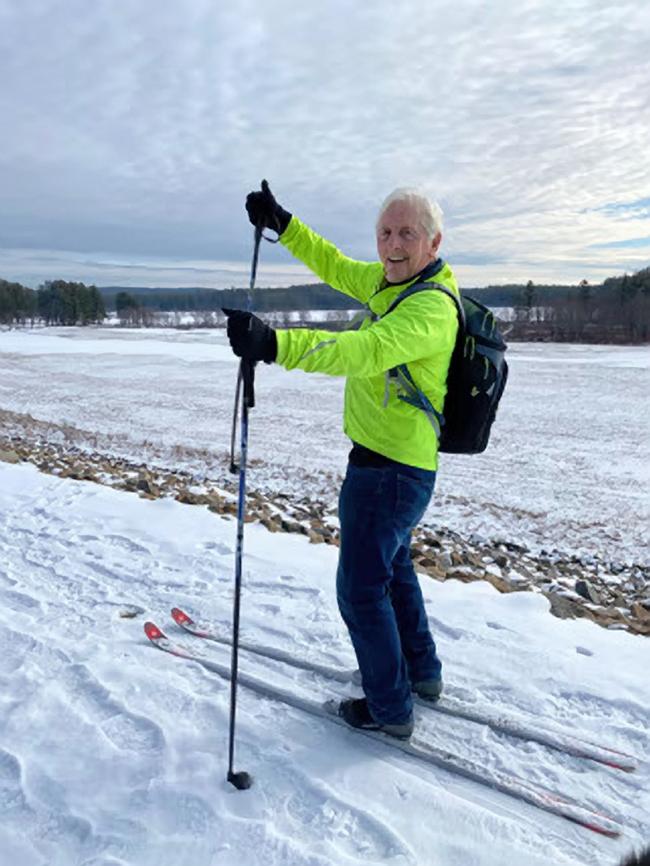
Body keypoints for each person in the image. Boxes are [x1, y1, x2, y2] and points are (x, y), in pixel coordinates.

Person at [224, 180, 460, 739]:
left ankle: (389, 707)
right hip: (393, 467)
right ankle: (420, 675)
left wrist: (275, 344)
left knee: (359, 590)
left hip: (389, 472)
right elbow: (334, 266)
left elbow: (364, 351)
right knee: (393, 573)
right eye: (385, 233)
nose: (393, 244)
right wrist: (284, 223)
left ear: (433, 242)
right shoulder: (391, 282)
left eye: (407, 233)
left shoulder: (428, 308)